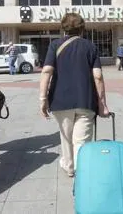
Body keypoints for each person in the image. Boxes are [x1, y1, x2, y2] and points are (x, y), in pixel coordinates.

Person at [39, 13, 111, 178]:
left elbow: (46, 71)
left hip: (59, 101)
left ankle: (70, 167)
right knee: (82, 142)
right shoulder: (90, 47)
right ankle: (82, 174)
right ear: (82, 29)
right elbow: (98, 76)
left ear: (63, 28)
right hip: (85, 101)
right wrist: (102, 104)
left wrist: (42, 99)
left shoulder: (54, 45)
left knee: (66, 138)